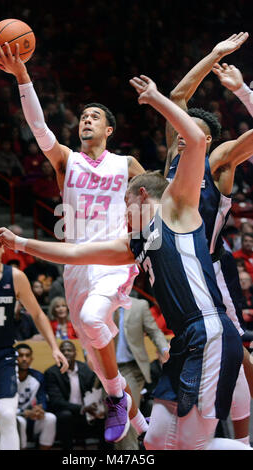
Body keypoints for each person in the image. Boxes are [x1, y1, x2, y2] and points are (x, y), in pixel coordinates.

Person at [0, 75, 252, 450]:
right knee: (153, 439)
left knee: (96, 321)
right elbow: (73, 253)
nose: (123, 210)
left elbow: (187, 151)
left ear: (141, 195)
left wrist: (158, 99)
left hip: (205, 330)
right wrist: (21, 242)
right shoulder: (136, 242)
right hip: (175, 333)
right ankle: (125, 404)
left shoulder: (171, 211)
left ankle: (122, 398)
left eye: (126, 203)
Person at [0, 41, 147, 443]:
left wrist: (149, 252)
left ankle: (117, 399)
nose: (86, 121)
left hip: (112, 259)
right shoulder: (66, 159)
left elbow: (152, 203)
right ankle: (140, 422)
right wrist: (22, 76)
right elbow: (39, 127)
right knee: (96, 355)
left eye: (94, 117)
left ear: (109, 130)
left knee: (96, 322)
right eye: (82, 117)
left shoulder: (126, 164)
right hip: (75, 263)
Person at [164, 34, 253, 445]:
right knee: (192, 352)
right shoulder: (172, 158)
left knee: (238, 348)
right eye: (179, 129)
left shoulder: (217, 160)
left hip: (212, 267)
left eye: (190, 131)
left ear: (207, 141)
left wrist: (241, 90)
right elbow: (178, 95)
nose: (181, 134)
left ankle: (246, 435)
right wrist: (214, 54)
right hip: (175, 267)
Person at [0, 225, 68, 450]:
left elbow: (38, 314)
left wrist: (54, 347)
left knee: (7, 415)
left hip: (2, 356)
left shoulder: (16, 277)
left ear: (4, 249)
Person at [114, 296, 170, 450]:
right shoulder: (103, 305)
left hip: (132, 368)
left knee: (127, 412)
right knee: (116, 420)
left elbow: (154, 331)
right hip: (108, 369)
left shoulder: (140, 305)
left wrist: (164, 349)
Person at [44, 340, 109, 450]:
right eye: (62, 351)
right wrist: (82, 408)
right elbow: (56, 402)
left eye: (69, 350)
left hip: (87, 414)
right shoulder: (52, 373)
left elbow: (95, 392)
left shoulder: (86, 370)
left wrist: (97, 408)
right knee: (66, 415)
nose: (66, 353)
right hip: (66, 414)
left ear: (75, 353)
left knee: (106, 416)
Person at [14, 343, 57, 450]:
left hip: (32, 417)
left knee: (50, 418)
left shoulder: (38, 376)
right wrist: (23, 413)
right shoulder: (8, 377)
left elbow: (42, 399)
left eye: (27, 356)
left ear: (31, 359)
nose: (24, 359)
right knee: (21, 421)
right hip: (14, 418)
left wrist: (39, 409)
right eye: (20, 355)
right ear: (14, 358)